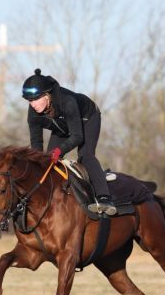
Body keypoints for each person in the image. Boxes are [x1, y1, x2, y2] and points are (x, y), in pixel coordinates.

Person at [22, 68, 116, 216]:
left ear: (47, 95)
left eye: (35, 99)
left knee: (85, 155)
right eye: (29, 100)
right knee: (47, 160)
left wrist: (60, 151)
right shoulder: (33, 113)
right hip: (62, 128)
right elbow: (36, 144)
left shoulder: (67, 102)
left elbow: (77, 136)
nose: (32, 104)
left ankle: (104, 197)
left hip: (87, 118)